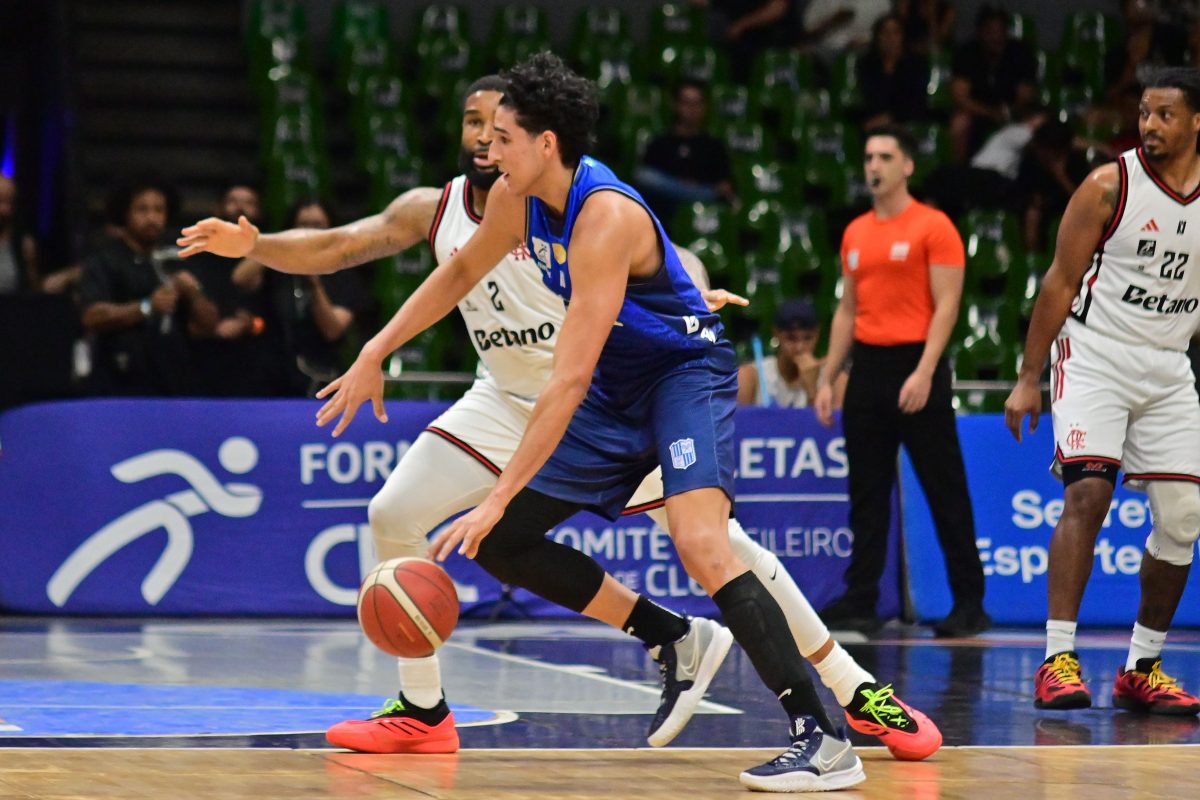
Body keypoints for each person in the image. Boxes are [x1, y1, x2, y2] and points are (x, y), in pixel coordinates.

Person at [180, 68, 941, 777]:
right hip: (510, 398)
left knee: (714, 544)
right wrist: (362, 337)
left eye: (499, 130)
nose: (486, 143)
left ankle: (851, 693)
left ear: (541, 140)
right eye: (476, 127)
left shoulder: (595, 209)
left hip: (617, 387)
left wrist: (688, 297)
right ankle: (431, 705)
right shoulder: (482, 203)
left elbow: (636, 296)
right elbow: (438, 268)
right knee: (404, 516)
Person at [1004, 67, 1200, 716]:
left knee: (1183, 518)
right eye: (1144, 112)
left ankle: (1142, 667)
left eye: (1165, 114)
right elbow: (1059, 281)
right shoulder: (1108, 186)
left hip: (1169, 365)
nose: (1149, 125)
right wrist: (1028, 377)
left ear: (1197, 122)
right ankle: (1057, 657)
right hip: (1094, 355)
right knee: (1088, 494)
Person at [814, 124, 990, 639]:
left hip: (917, 363)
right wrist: (827, 377)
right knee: (866, 492)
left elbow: (948, 305)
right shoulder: (855, 232)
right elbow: (847, 310)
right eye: (869, 156)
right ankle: (862, 598)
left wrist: (925, 371)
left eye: (886, 156)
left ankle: (969, 601)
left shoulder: (934, 227)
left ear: (907, 165)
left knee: (944, 487)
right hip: (868, 367)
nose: (874, 166)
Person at [81, 178, 218, 395]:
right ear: (125, 214)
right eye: (142, 210)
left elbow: (209, 325)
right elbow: (92, 316)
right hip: (121, 380)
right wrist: (147, 307)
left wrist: (194, 292)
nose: (152, 218)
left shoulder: (179, 259)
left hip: (174, 382)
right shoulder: (105, 260)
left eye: (159, 210)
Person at [233, 198, 368, 394]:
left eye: (318, 225)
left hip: (320, 375)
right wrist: (278, 245)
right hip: (271, 372)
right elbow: (240, 278)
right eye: (303, 225)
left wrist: (313, 282)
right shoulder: (276, 264)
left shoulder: (344, 274)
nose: (309, 232)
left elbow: (333, 330)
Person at [634, 80, 735, 221]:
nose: (691, 109)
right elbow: (647, 179)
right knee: (645, 177)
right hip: (666, 207)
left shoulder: (714, 146)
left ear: (704, 107)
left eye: (696, 103)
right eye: (686, 103)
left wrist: (695, 189)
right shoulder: (660, 143)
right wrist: (682, 187)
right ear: (676, 105)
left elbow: (724, 186)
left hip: (702, 211)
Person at [949, 6, 1038, 163]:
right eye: (990, 32)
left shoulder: (1020, 53)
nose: (996, 37)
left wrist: (1008, 113)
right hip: (977, 111)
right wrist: (991, 113)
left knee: (1038, 122)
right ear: (980, 32)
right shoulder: (967, 53)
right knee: (959, 123)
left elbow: (1026, 95)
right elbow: (960, 96)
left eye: (1000, 31)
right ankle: (960, 171)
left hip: (1013, 112)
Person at [737, 298, 846, 408]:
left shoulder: (835, 380)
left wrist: (812, 391)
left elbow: (829, 419)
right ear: (776, 333)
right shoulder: (750, 376)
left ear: (817, 334)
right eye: (791, 338)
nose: (799, 347)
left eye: (808, 338)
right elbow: (738, 418)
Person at [857, 13, 930, 129]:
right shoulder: (866, 65)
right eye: (885, 32)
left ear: (903, 36)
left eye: (895, 33)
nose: (890, 38)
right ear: (877, 37)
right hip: (872, 123)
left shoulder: (917, 65)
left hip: (907, 122)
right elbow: (867, 100)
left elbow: (917, 101)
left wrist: (890, 118)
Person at [0, 175, 39, 294]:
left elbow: (33, 293)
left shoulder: (23, 245)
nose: (6, 210)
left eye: (10, 202)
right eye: (1, 201)